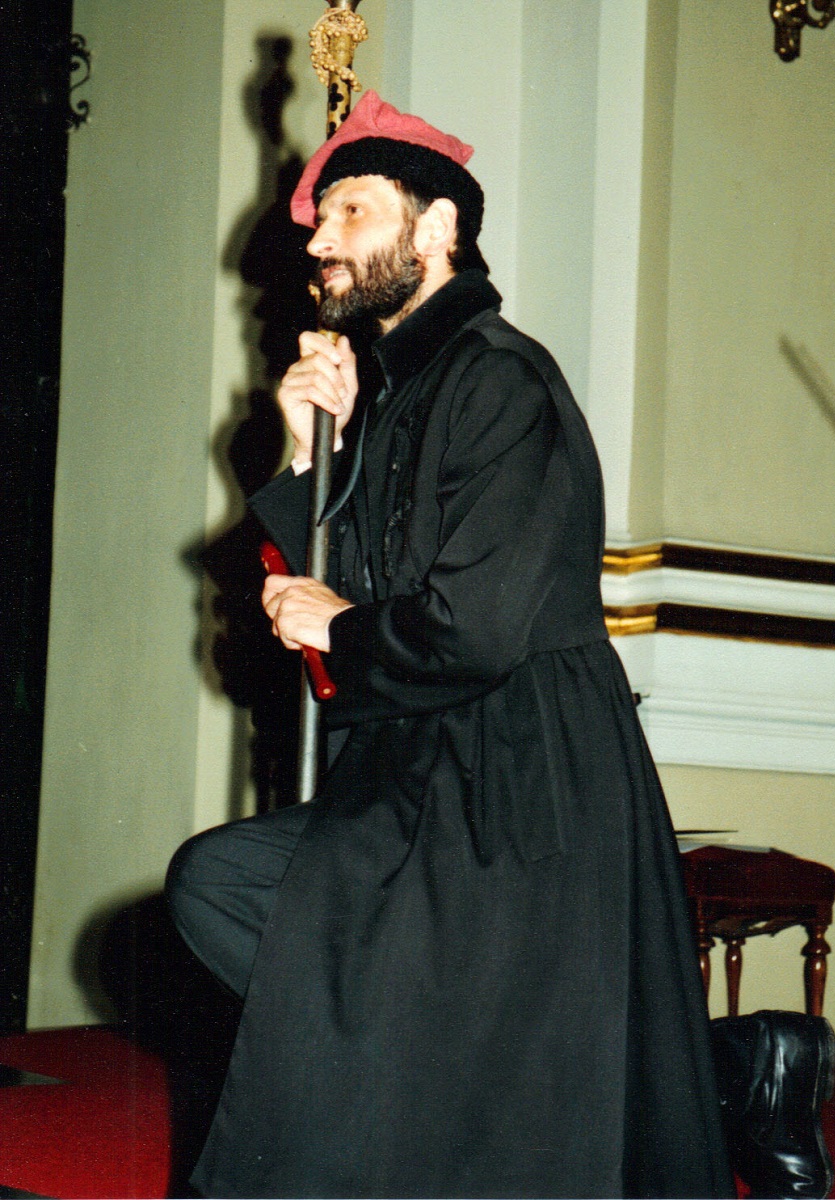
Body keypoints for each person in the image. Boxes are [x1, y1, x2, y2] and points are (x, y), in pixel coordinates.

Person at [167, 90, 734, 1198]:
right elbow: (337, 599)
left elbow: (474, 625)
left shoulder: (498, 377)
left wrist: (339, 622)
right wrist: (307, 457)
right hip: (422, 768)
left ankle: (741, 1070)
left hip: (522, 777)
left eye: (352, 210)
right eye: (320, 219)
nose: (320, 240)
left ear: (437, 230)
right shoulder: (398, 392)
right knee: (220, 887)